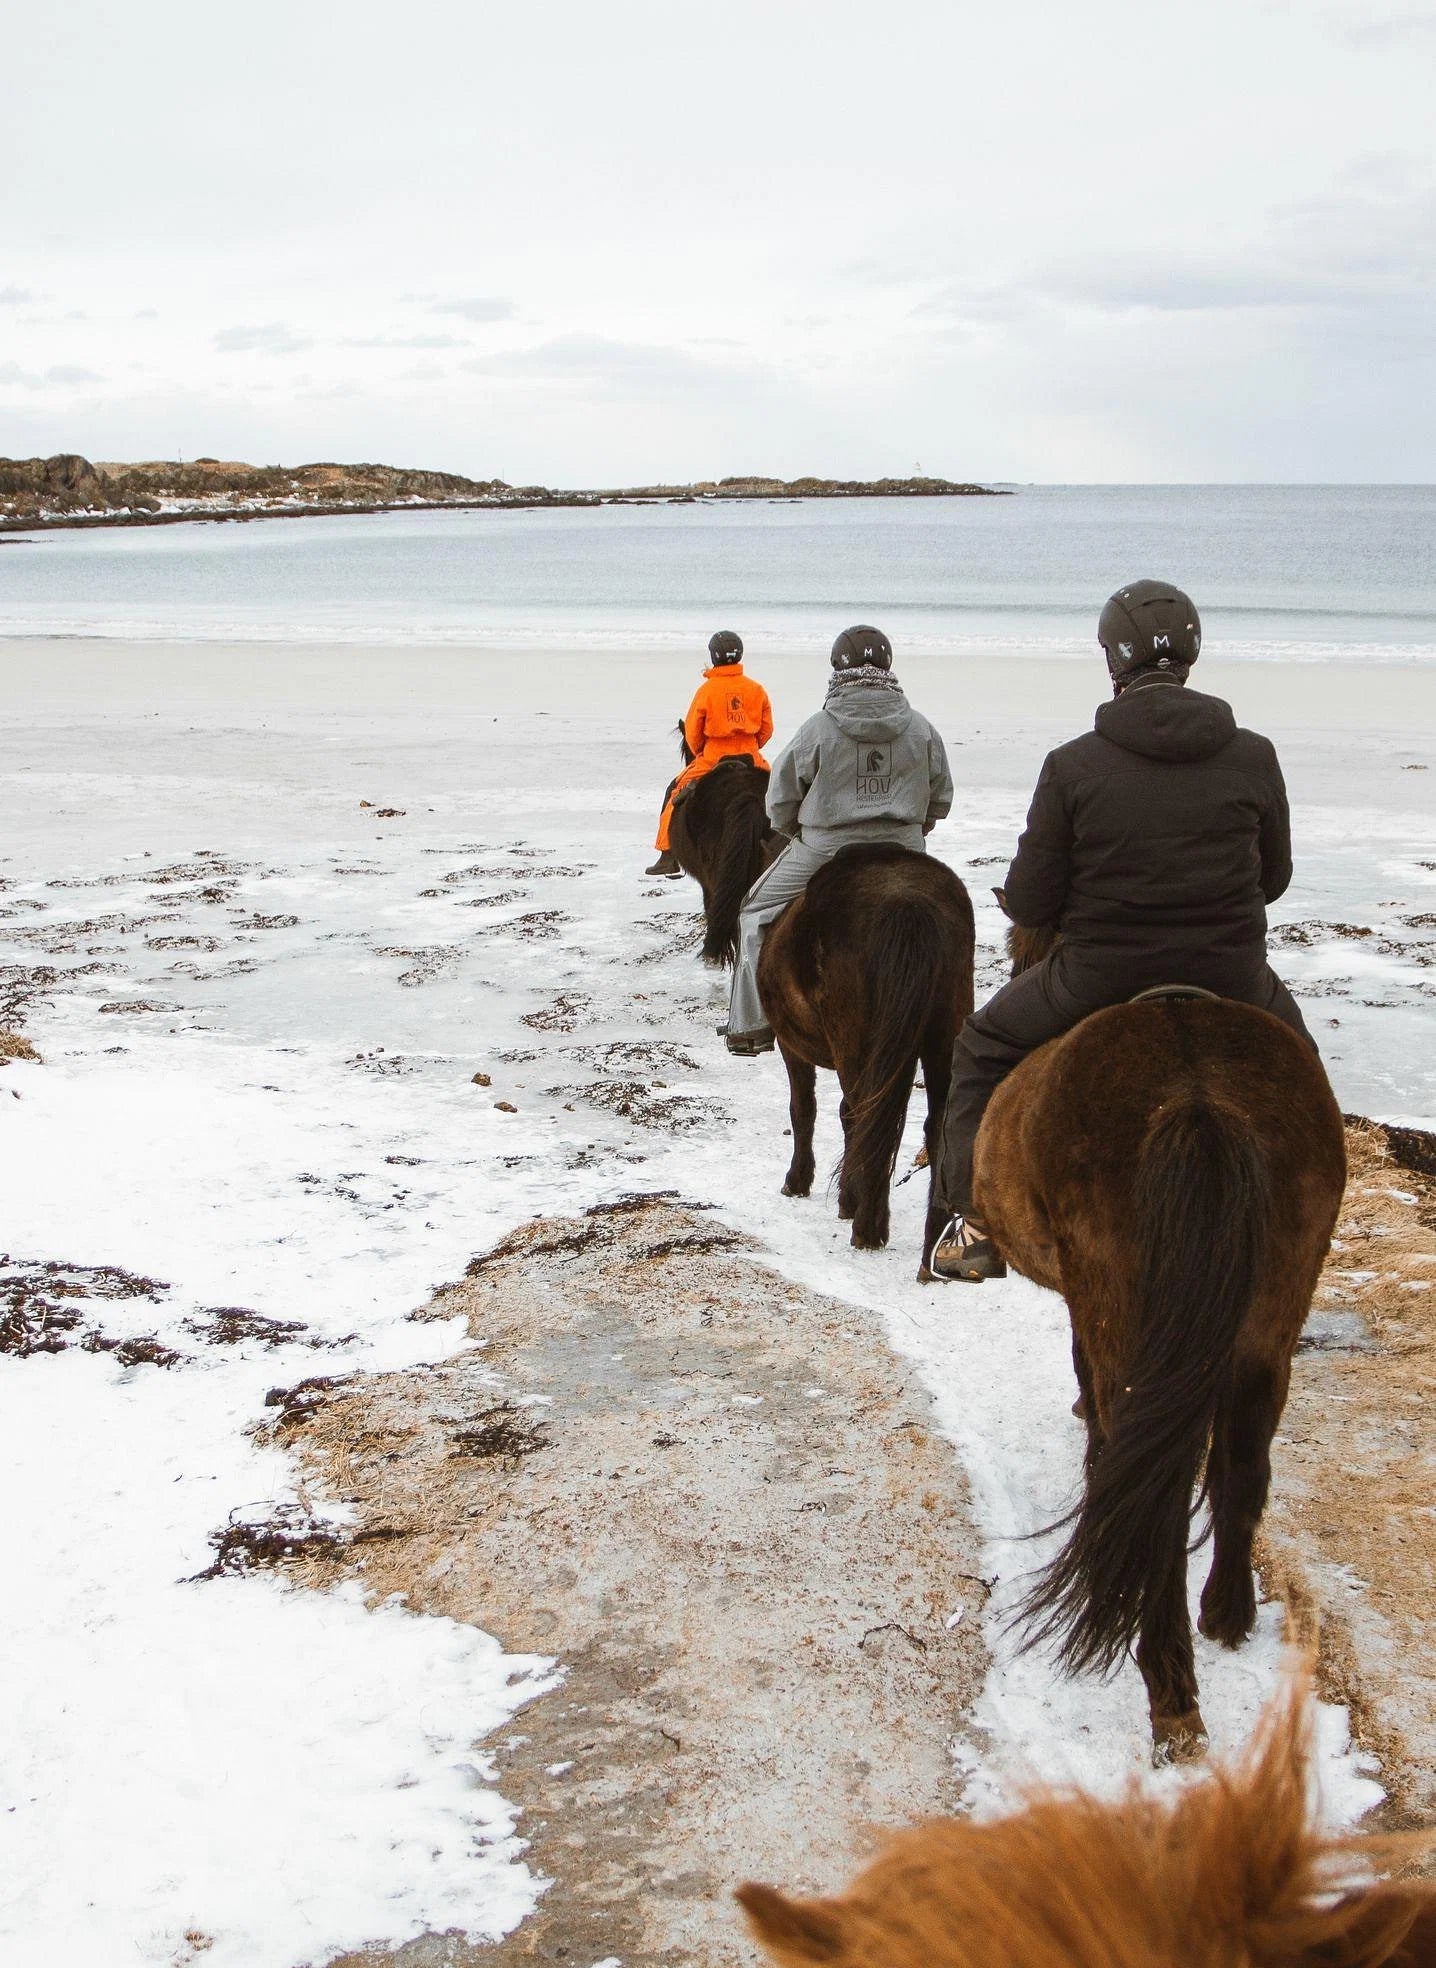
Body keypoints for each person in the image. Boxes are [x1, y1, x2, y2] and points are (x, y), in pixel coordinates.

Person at [930, 578, 1316, 1282]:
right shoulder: (1254, 753)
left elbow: (1033, 902)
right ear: (1193, 650)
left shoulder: (1073, 764)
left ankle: (971, 1226)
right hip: (1232, 972)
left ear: (1113, 657)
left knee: (979, 1048)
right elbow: (1275, 878)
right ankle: (1312, 1218)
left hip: (1096, 976)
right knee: (1304, 1074)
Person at [723, 624, 954, 1055]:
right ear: (888, 667)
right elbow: (941, 795)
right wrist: (914, 827)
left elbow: (781, 798)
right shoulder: (921, 727)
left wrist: (796, 831)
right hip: (904, 847)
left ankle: (750, 1025)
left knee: (753, 910)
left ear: (837, 670)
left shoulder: (818, 728)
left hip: (826, 850)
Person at [646, 630, 774, 877]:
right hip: (751, 755)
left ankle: (667, 855)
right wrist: (750, 744)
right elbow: (767, 730)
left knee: (674, 791)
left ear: (714, 656)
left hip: (713, 756)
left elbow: (692, 732)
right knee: (778, 791)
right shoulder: (756, 689)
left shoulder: (706, 690)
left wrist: (703, 751)